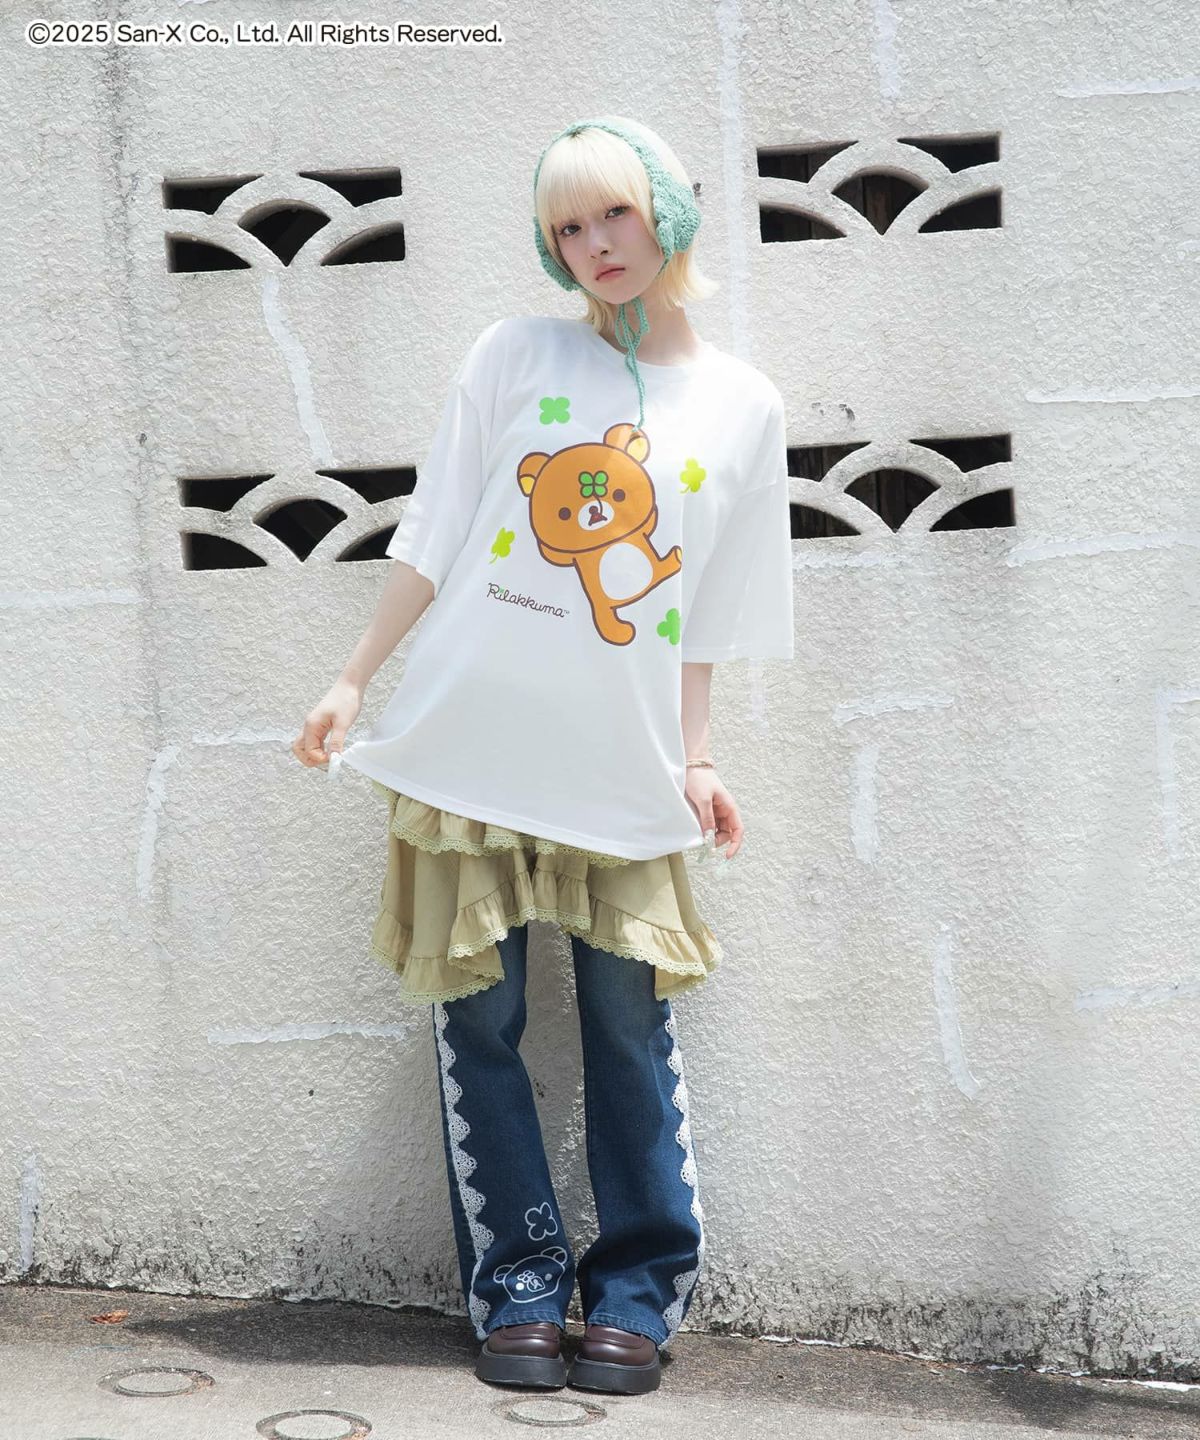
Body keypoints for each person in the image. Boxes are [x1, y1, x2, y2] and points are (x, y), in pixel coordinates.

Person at [292, 115, 794, 1396]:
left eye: (614, 213)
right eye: (567, 227)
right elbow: (435, 528)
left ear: (667, 214)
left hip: (622, 762)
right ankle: (516, 1282)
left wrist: (697, 760)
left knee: (627, 1027)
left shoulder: (743, 404)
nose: (595, 246)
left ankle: (636, 1289)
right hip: (471, 748)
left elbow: (708, 609)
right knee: (483, 1024)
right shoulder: (513, 353)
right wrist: (353, 678)